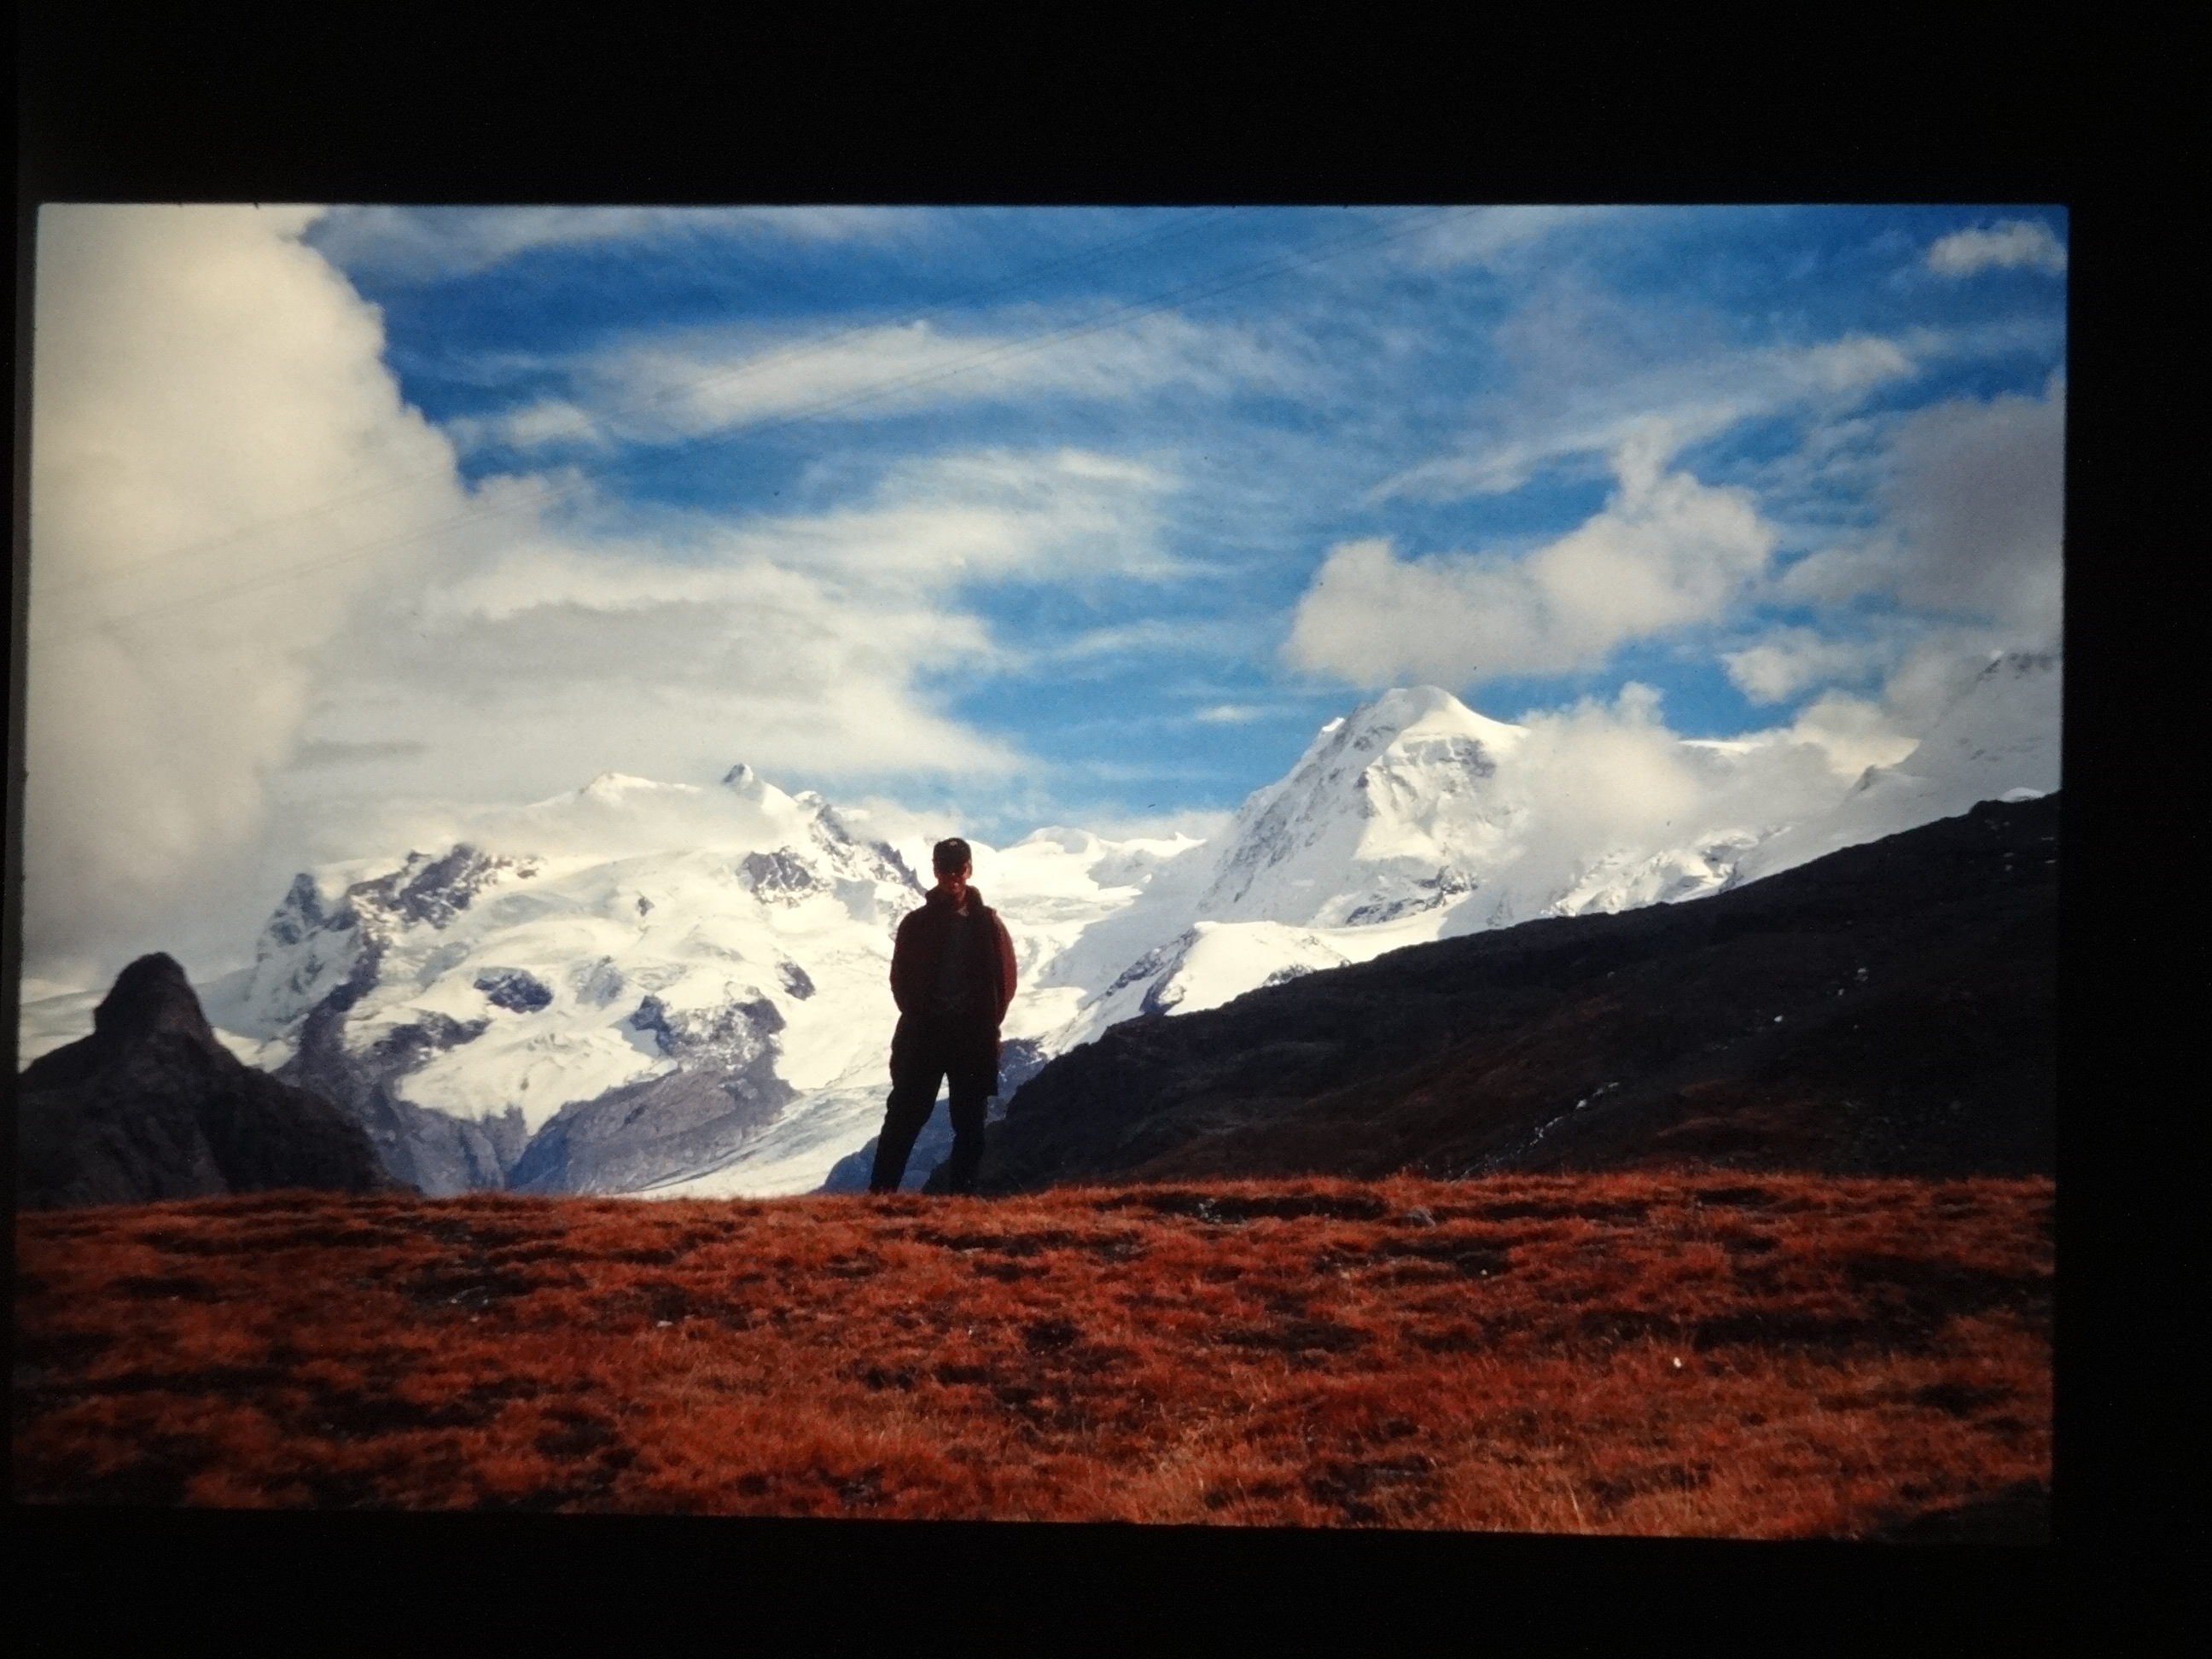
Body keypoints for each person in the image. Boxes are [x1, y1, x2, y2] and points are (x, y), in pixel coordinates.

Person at [868, 837, 1019, 1195]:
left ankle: (961, 1200)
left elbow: (1005, 979)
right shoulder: (916, 923)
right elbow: (899, 978)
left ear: (968, 869)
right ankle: (880, 1195)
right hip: (926, 1034)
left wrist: (986, 1025)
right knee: (905, 1116)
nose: (951, 876)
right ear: (935, 871)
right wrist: (921, 1016)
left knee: (969, 1123)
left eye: (957, 869)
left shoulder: (988, 924)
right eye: (944, 869)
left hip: (970, 1037)